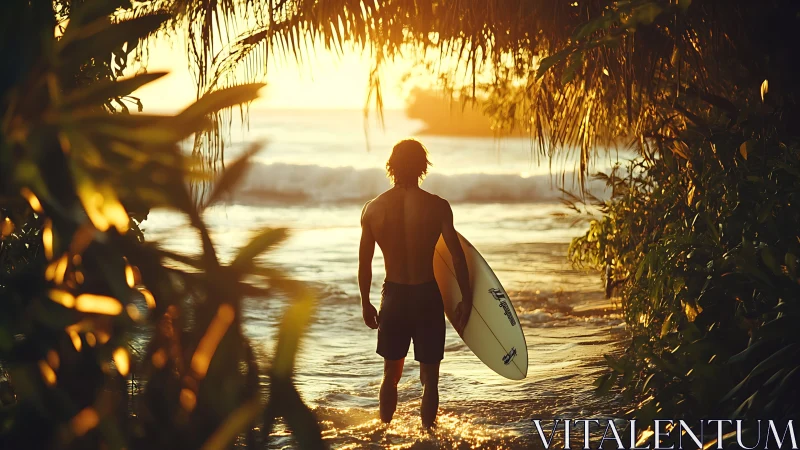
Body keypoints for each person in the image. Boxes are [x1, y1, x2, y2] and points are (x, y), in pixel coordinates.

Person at [358, 138, 472, 428]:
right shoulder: (438, 207)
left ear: (391, 166)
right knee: (430, 380)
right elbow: (457, 258)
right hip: (427, 297)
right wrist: (467, 299)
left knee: (390, 375)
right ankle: (428, 438)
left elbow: (365, 263)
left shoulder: (373, 209)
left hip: (394, 298)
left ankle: (383, 434)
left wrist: (365, 302)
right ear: (423, 166)